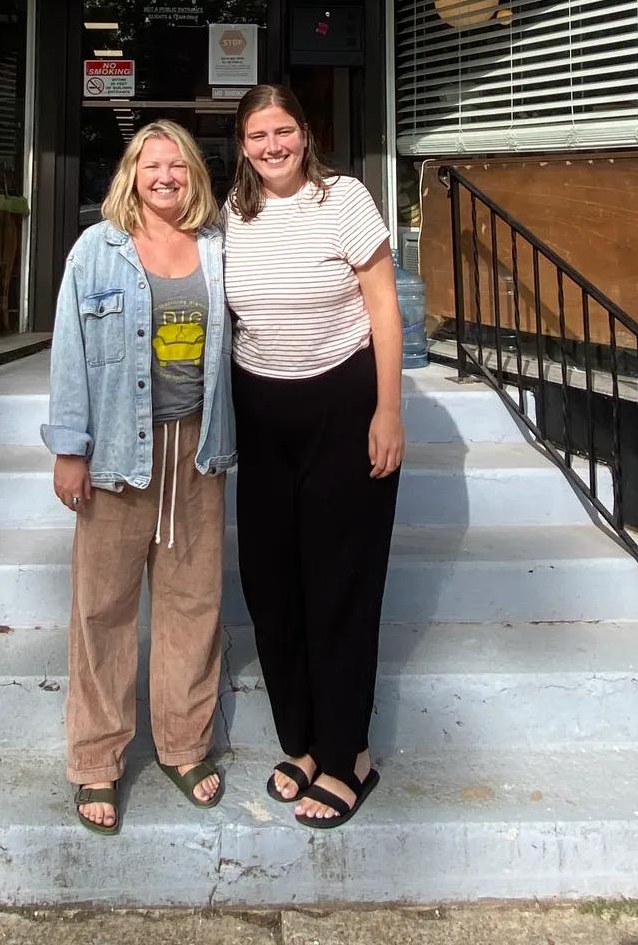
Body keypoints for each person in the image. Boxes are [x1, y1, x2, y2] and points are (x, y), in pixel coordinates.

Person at [42, 119, 235, 835]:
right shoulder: (97, 248)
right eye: (151, 165)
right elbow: (69, 351)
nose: (165, 177)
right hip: (119, 452)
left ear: (194, 175)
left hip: (197, 449)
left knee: (193, 604)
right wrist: (70, 448)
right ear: (131, 174)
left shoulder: (219, 247)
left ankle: (184, 746)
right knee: (103, 609)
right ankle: (97, 758)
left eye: (177, 165)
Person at [223, 82, 404, 830]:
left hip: (344, 404)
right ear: (242, 146)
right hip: (262, 413)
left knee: (339, 585)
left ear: (305, 133)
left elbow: (383, 304)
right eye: (258, 135)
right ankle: (300, 741)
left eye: (283, 131)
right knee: (272, 588)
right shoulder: (232, 214)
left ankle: (347, 754)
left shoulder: (346, 199)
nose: (273, 146)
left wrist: (388, 410)